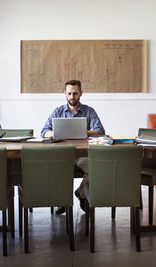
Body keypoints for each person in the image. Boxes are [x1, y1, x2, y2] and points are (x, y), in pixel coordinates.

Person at [41, 80, 105, 215]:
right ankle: (62, 200)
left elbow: (100, 131)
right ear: (64, 93)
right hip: (62, 155)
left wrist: (82, 131)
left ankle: (81, 193)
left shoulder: (89, 111)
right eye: (69, 93)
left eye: (75, 93)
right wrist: (57, 133)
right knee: (56, 166)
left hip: (83, 156)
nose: (72, 97)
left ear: (81, 94)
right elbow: (44, 132)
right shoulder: (57, 111)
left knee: (96, 167)